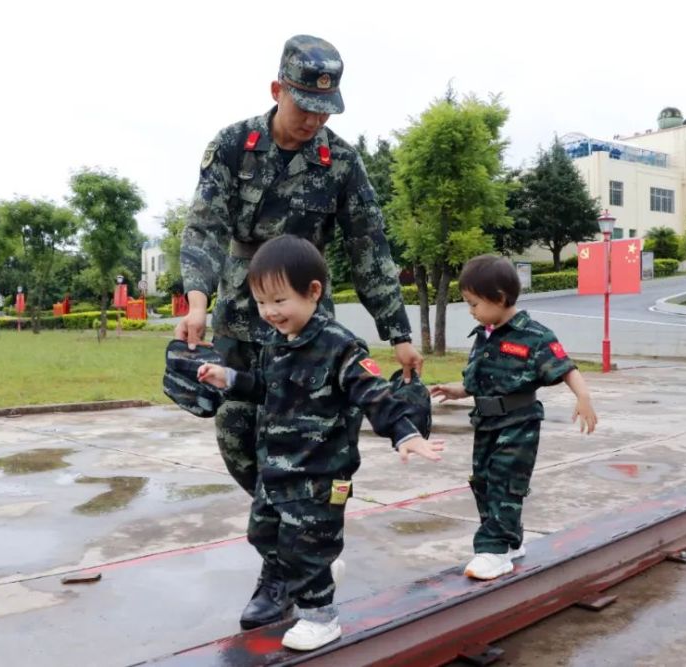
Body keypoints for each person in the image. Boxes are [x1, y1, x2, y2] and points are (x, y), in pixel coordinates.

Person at [177, 34, 423, 625]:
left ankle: (287, 567)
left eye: (325, 109)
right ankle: (295, 546)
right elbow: (205, 226)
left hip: (308, 328)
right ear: (276, 91)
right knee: (240, 442)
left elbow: (369, 246)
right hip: (242, 314)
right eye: (304, 106)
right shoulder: (235, 144)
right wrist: (196, 300)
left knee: (307, 454)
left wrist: (399, 332)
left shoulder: (341, 161)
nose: (314, 119)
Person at [197, 235, 443, 650]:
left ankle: (320, 617)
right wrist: (231, 380)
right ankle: (314, 579)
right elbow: (267, 389)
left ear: (313, 292)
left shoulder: (340, 345)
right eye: (261, 303)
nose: (270, 313)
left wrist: (405, 433)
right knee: (263, 535)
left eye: (279, 300)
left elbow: (372, 392)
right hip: (275, 470)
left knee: (307, 547)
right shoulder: (276, 344)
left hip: (319, 474)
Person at [430, 255, 597, 580]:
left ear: (500, 298)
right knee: (483, 482)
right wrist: (457, 391)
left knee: (504, 484)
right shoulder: (486, 334)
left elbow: (566, 367)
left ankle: (492, 550)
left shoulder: (534, 334)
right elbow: (480, 380)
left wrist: (584, 396)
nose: (471, 311)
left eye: (474, 304)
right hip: (486, 423)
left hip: (519, 424)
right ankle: (510, 541)